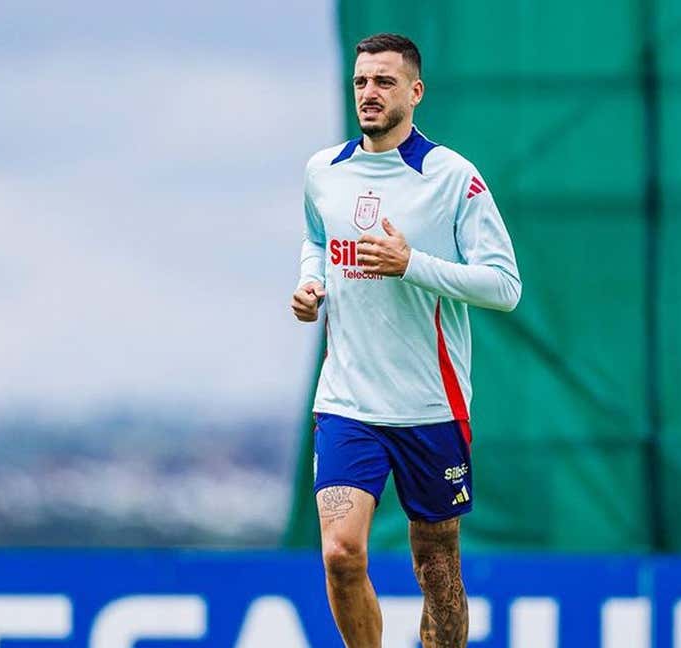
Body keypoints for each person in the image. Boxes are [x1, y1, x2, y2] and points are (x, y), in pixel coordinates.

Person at [290, 32, 521, 648]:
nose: (369, 92)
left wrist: (410, 262)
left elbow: (504, 286)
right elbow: (317, 238)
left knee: (437, 567)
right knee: (341, 554)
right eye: (362, 81)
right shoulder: (324, 171)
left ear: (415, 92)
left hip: (429, 406)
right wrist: (311, 285)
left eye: (384, 81)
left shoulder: (452, 178)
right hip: (347, 403)